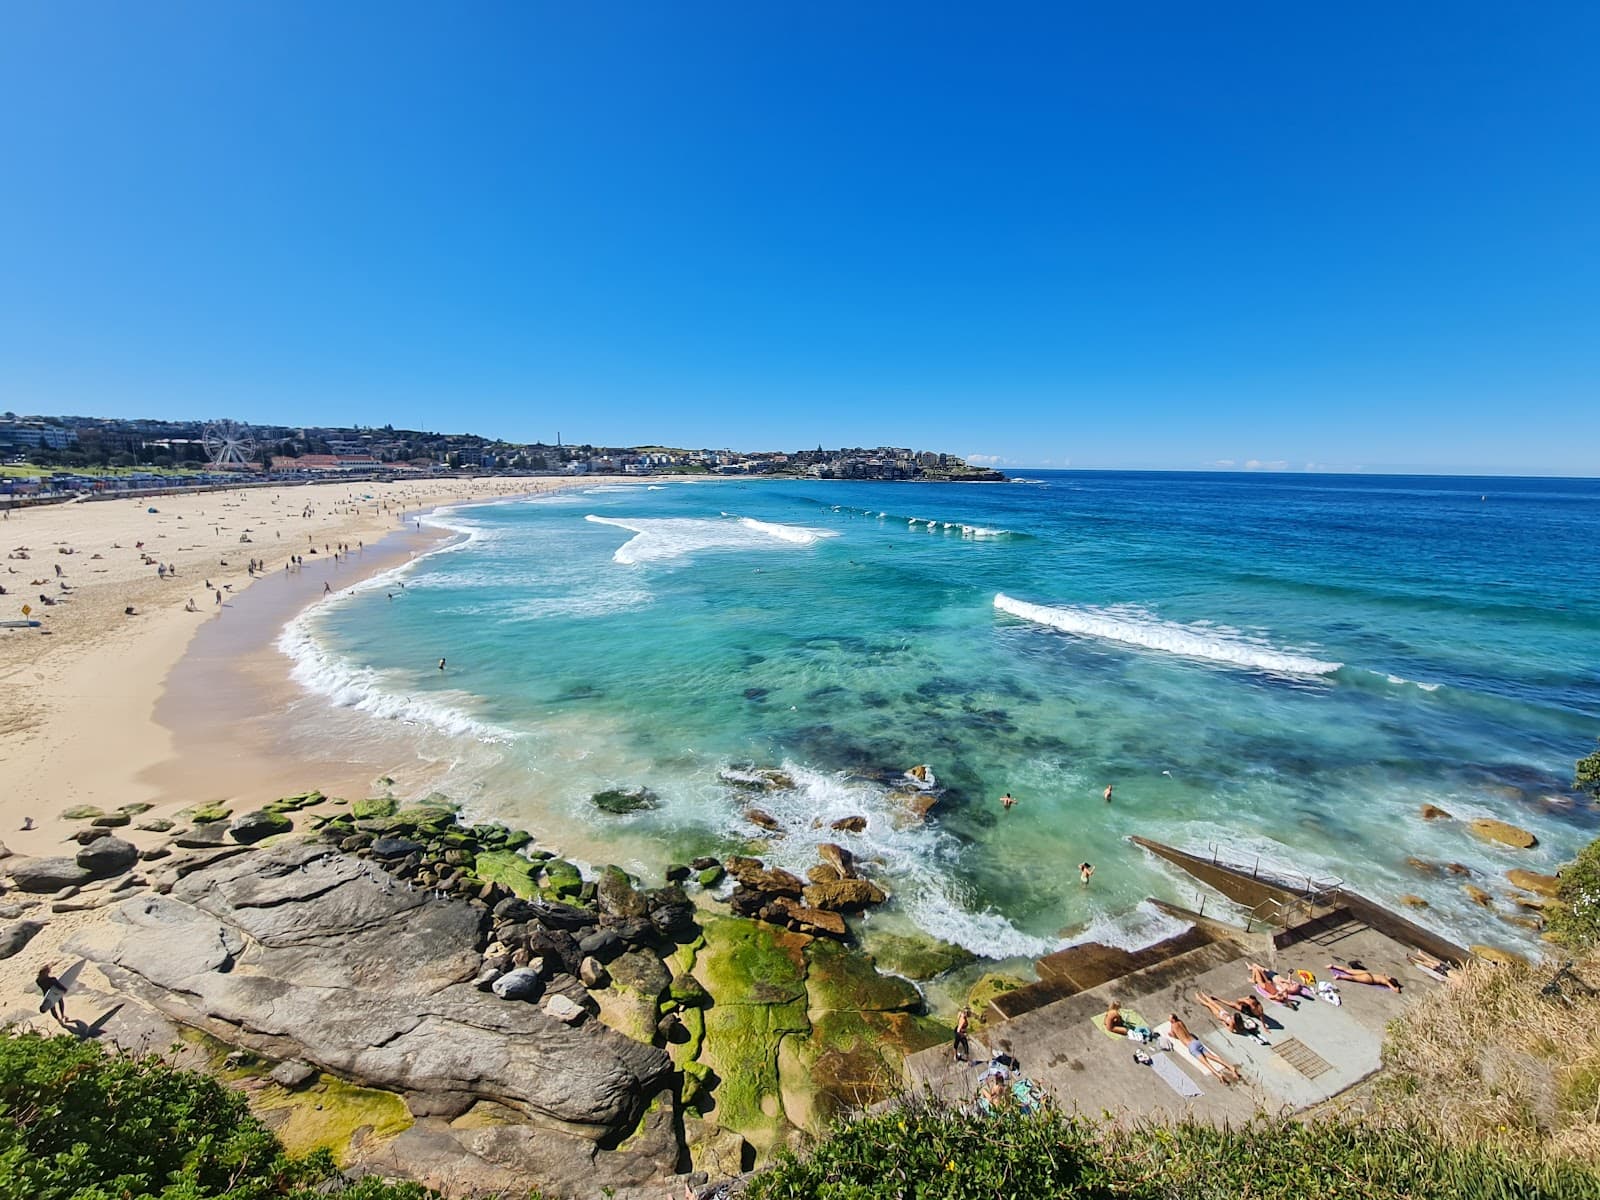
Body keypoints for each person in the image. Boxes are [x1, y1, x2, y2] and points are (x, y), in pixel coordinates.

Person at [1169, 1014, 1239, 1084]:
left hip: (1191, 1046)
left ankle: (1218, 1075)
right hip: (1195, 1042)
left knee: (1206, 1063)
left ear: (1173, 1020)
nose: (1169, 1020)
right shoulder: (1181, 1022)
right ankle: (1230, 1067)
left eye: (1170, 1019)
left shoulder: (1173, 1026)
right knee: (1213, 1057)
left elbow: (1174, 1035)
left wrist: (1171, 1035)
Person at [1328, 963, 1402, 992]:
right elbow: (1393, 988)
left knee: (1349, 970)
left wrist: (1395, 987)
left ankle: (1333, 966)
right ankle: (1340, 977)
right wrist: (1397, 988)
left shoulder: (1383, 977)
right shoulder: (1385, 980)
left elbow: (1385, 975)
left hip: (1367, 974)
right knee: (1354, 978)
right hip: (1370, 979)